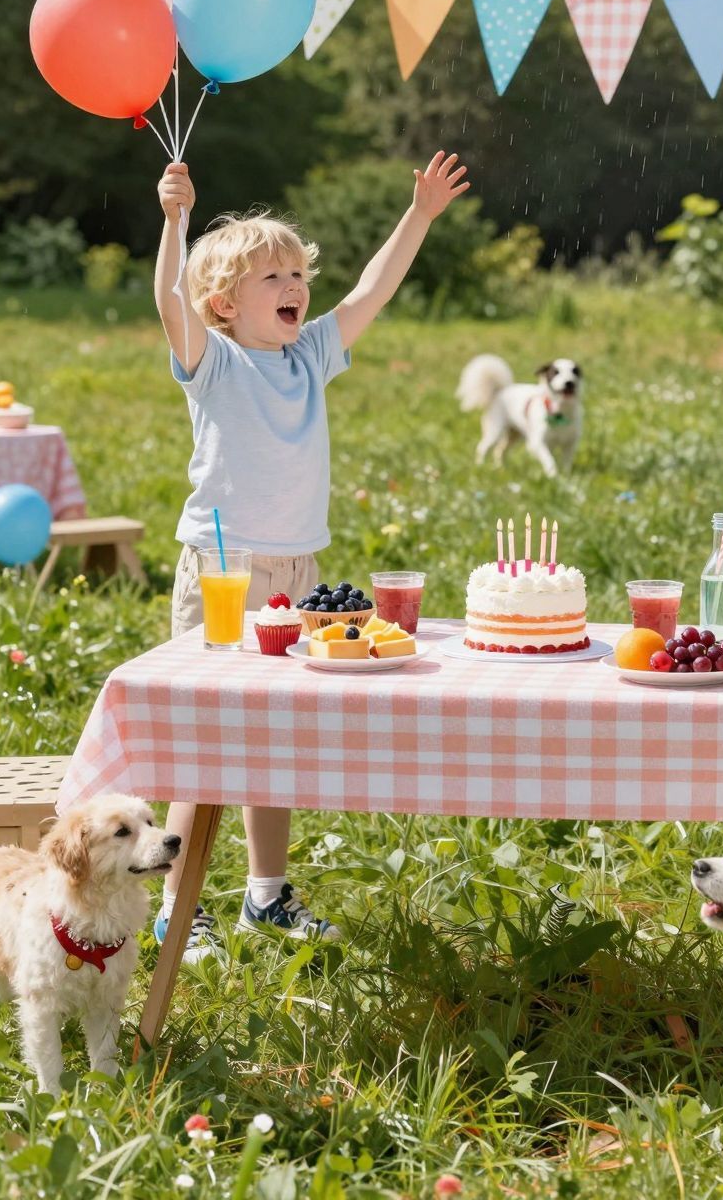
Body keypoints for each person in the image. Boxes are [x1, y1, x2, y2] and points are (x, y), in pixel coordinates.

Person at [152, 150, 470, 959]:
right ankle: (177, 904)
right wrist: (174, 219)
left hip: (296, 574)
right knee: (207, 735)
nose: (296, 285)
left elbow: (372, 290)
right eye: (273, 278)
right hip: (224, 574)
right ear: (224, 303)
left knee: (270, 736)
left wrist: (421, 217)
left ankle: (265, 895)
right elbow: (167, 299)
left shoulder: (309, 357)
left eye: (298, 272)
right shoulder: (215, 362)